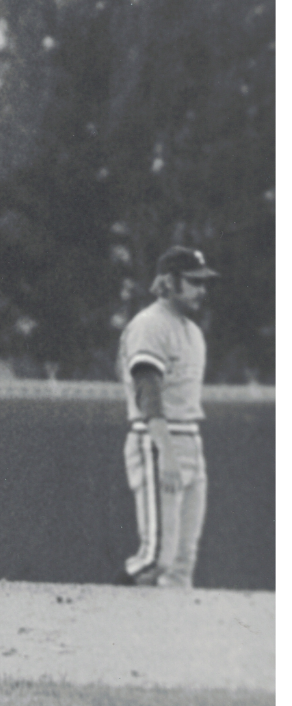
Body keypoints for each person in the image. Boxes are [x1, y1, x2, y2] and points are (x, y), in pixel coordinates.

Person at [117, 245, 220, 589]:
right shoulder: (150, 324)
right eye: (193, 282)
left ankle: (167, 641)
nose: (201, 290)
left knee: (181, 563)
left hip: (189, 436)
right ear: (168, 282)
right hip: (158, 440)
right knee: (156, 558)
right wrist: (167, 454)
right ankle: (99, 614)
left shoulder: (192, 330)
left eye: (203, 282)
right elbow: (147, 392)